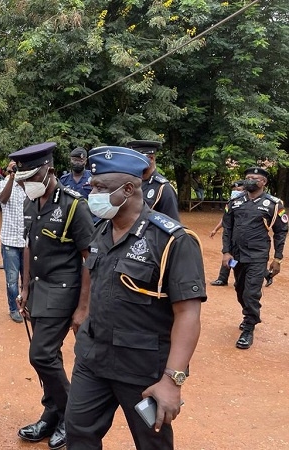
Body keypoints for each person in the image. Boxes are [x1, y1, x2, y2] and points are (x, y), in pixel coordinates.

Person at [65, 146, 206, 449]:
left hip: (142, 368)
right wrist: (83, 309)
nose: (93, 193)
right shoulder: (101, 229)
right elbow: (91, 267)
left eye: (101, 187)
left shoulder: (173, 240)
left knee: (152, 444)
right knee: (78, 432)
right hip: (93, 357)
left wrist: (172, 381)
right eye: (93, 186)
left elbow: (188, 314)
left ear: (128, 189)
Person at [11, 142, 95, 450]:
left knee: (41, 354)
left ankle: (71, 418)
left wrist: (83, 307)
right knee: (47, 357)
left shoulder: (75, 205)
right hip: (38, 288)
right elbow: (28, 246)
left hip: (64, 291)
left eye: (29, 177)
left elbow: (89, 258)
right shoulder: (30, 203)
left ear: (47, 170)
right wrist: (23, 288)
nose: (25, 184)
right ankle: (52, 412)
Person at [221, 167, 287, 349]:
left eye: (254, 178)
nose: (249, 180)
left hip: (258, 256)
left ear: (263, 182)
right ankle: (249, 313)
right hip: (236, 255)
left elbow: (281, 233)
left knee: (251, 293)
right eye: (247, 177)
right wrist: (226, 252)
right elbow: (227, 228)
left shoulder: (273, 204)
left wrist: (278, 258)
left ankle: (248, 327)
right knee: (239, 289)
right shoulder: (234, 202)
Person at [0, 160, 26, 323]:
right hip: (10, 241)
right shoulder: (3, 184)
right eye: (13, 167)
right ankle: (14, 309)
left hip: (28, 242)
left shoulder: (29, 186)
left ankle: (26, 307)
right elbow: (3, 199)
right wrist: (12, 177)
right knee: (12, 280)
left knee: (28, 279)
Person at [127, 140, 180, 221]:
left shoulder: (163, 188)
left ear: (151, 159)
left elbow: (172, 225)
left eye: (137, 159)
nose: (133, 163)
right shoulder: (131, 184)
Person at [211, 180, 244, 287]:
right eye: (234, 190)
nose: (235, 192)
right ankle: (222, 278)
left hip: (242, 235)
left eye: (238, 190)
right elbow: (225, 218)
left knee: (241, 257)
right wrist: (215, 229)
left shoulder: (249, 203)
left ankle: (265, 274)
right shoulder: (231, 202)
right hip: (230, 234)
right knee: (227, 253)